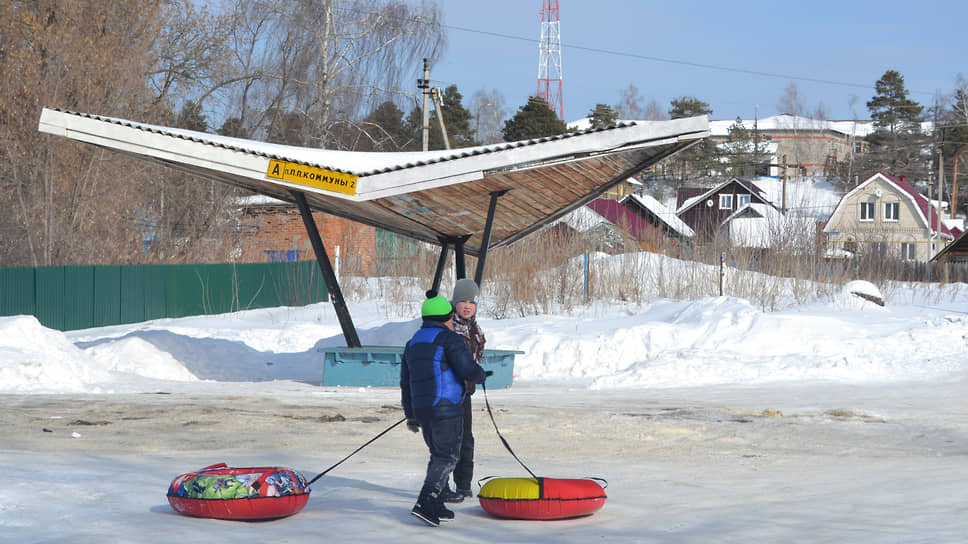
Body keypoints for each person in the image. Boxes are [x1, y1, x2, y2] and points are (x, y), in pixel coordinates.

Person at [401, 291, 487, 527]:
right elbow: (467, 368)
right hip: (446, 407)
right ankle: (426, 501)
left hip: (423, 409)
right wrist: (480, 375)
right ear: (446, 318)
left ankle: (437, 502)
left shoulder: (414, 342)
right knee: (447, 456)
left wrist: (410, 414)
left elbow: (405, 382)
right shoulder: (449, 339)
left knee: (437, 454)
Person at [440, 278, 486, 504]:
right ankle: (442, 485)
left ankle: (464, 484)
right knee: (449, 440)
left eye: (472, 302)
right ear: (455, 302)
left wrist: (477, 374)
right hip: (448, 394)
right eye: (462, 301)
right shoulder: (448, 327)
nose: (467, 306)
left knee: (466, 439)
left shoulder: (474, 328)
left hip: (464, 394)